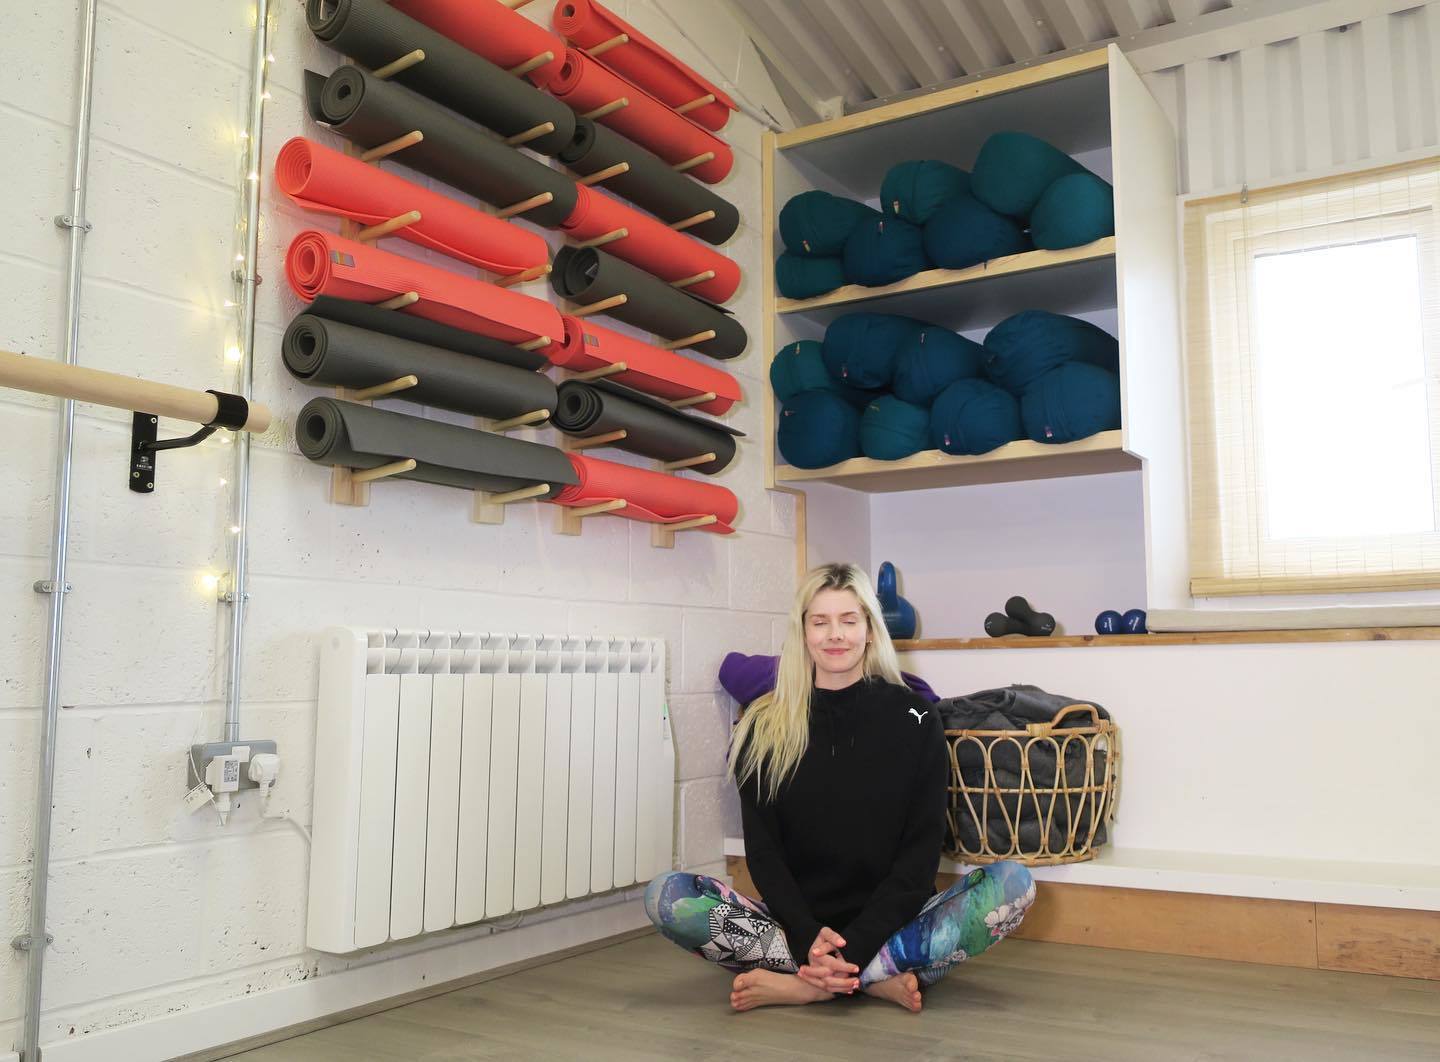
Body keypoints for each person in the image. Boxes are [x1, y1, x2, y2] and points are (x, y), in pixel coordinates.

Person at [644, 562, 1036, 1013]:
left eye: (848, 620)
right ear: (803, 632)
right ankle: (871, 978)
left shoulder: (916, 719)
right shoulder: (762, 725)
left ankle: (815, 984)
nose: (835, 635)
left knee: (1014, 884)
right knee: (666, 896)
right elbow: (765, 855)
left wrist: (858, 945)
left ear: (869, 629)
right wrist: (808, 937)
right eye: (820, 622)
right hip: (795, 929)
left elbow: (920, 855)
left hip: (895, 926)